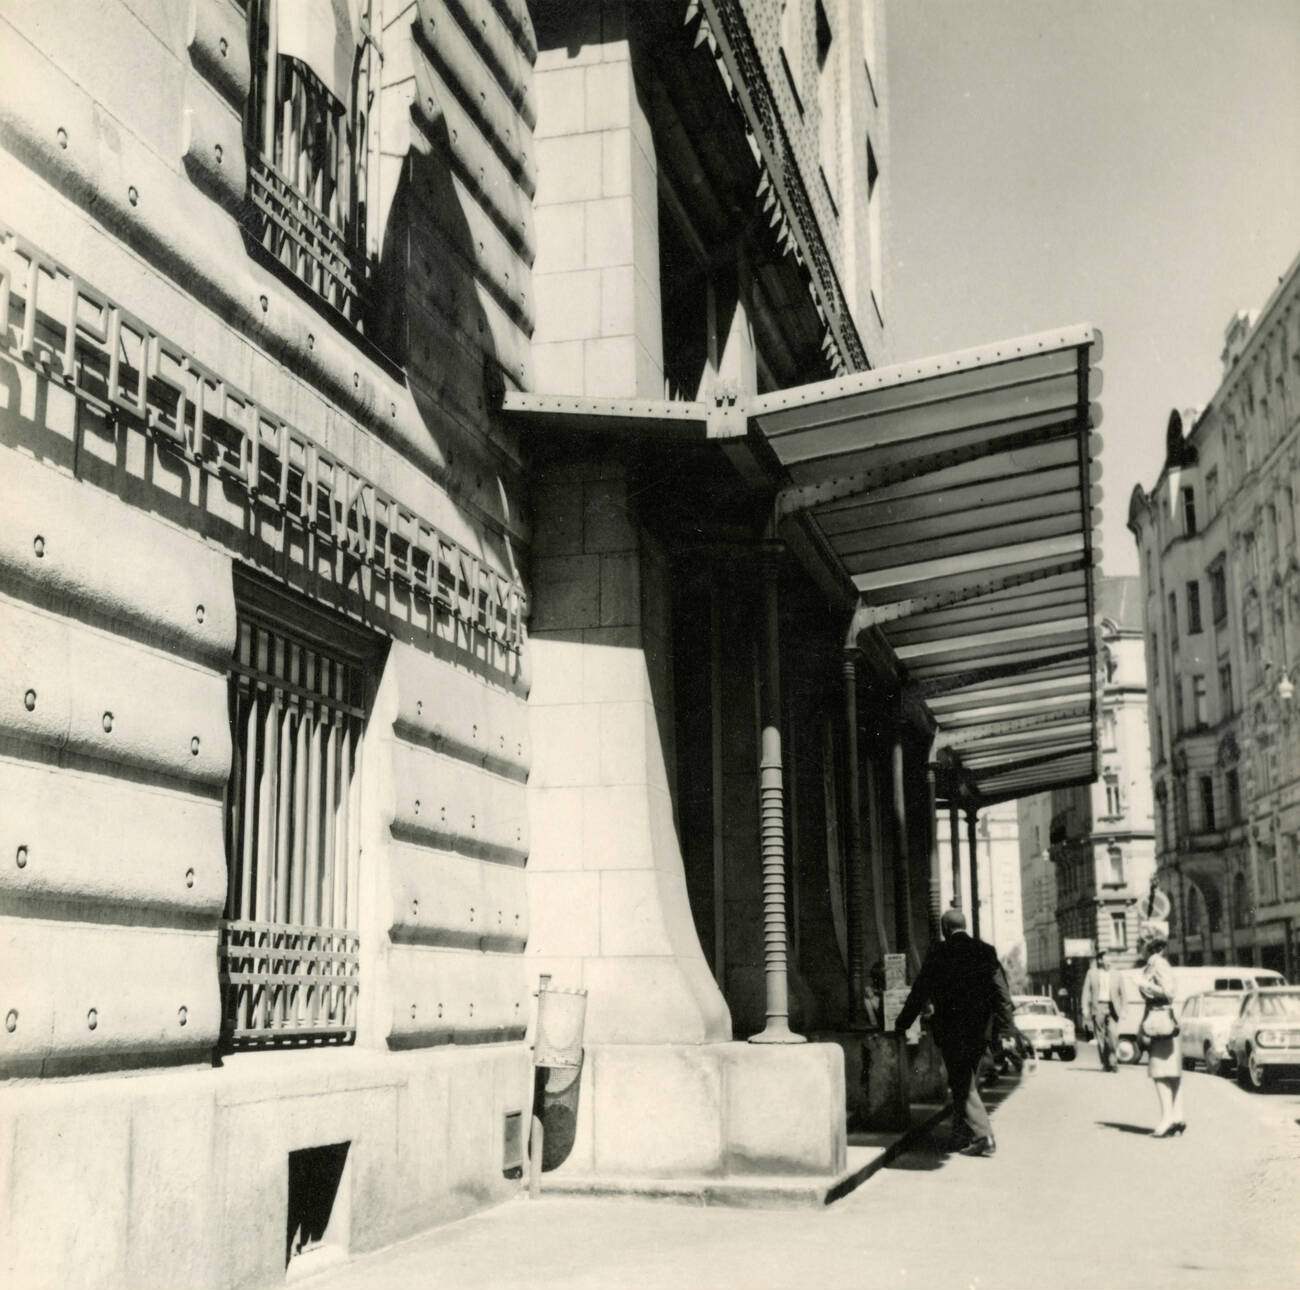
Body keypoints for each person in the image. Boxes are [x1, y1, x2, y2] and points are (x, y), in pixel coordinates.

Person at [895, 907, 1018, 1157]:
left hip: (951, 1031)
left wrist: (902, 1023)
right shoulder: (986, 951)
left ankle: (984, 1136)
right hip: (979, 1032)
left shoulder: (939, 952)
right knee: (965, 1080)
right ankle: (960, 1135)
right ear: (964, 926)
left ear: (945, 929)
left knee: (962, 1082)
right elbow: (1002, 995)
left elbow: (919, 993)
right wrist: (1007, 1028)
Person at [1136, 919, 1185, 1136]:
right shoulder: (1158, 963)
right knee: (1171, 1072)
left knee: (1160, 1072)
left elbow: (1168, 992)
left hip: (1160, 1021)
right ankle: (1177, 1116)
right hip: (1163, 1019)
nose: (1138, 949)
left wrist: (1144, 984)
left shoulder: (1157, 964)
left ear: (1148, 946)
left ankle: (1167, 1119)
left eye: (1140, 944)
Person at [1080, 949, 1119, 1071]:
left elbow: (1122, 993)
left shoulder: (1116, 973)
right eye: (1106, 958)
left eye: (1110, 958)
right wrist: (1085, 1008)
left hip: (1112, 1007)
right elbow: (1086, 992)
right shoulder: (1091, 973)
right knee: (1101, 1037)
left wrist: (1124, 1009)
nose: (1109, 960)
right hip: (1098, 1007)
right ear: (1100, 960)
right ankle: (1106, 1063)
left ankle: (1113, 1061)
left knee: (1113, 1035)